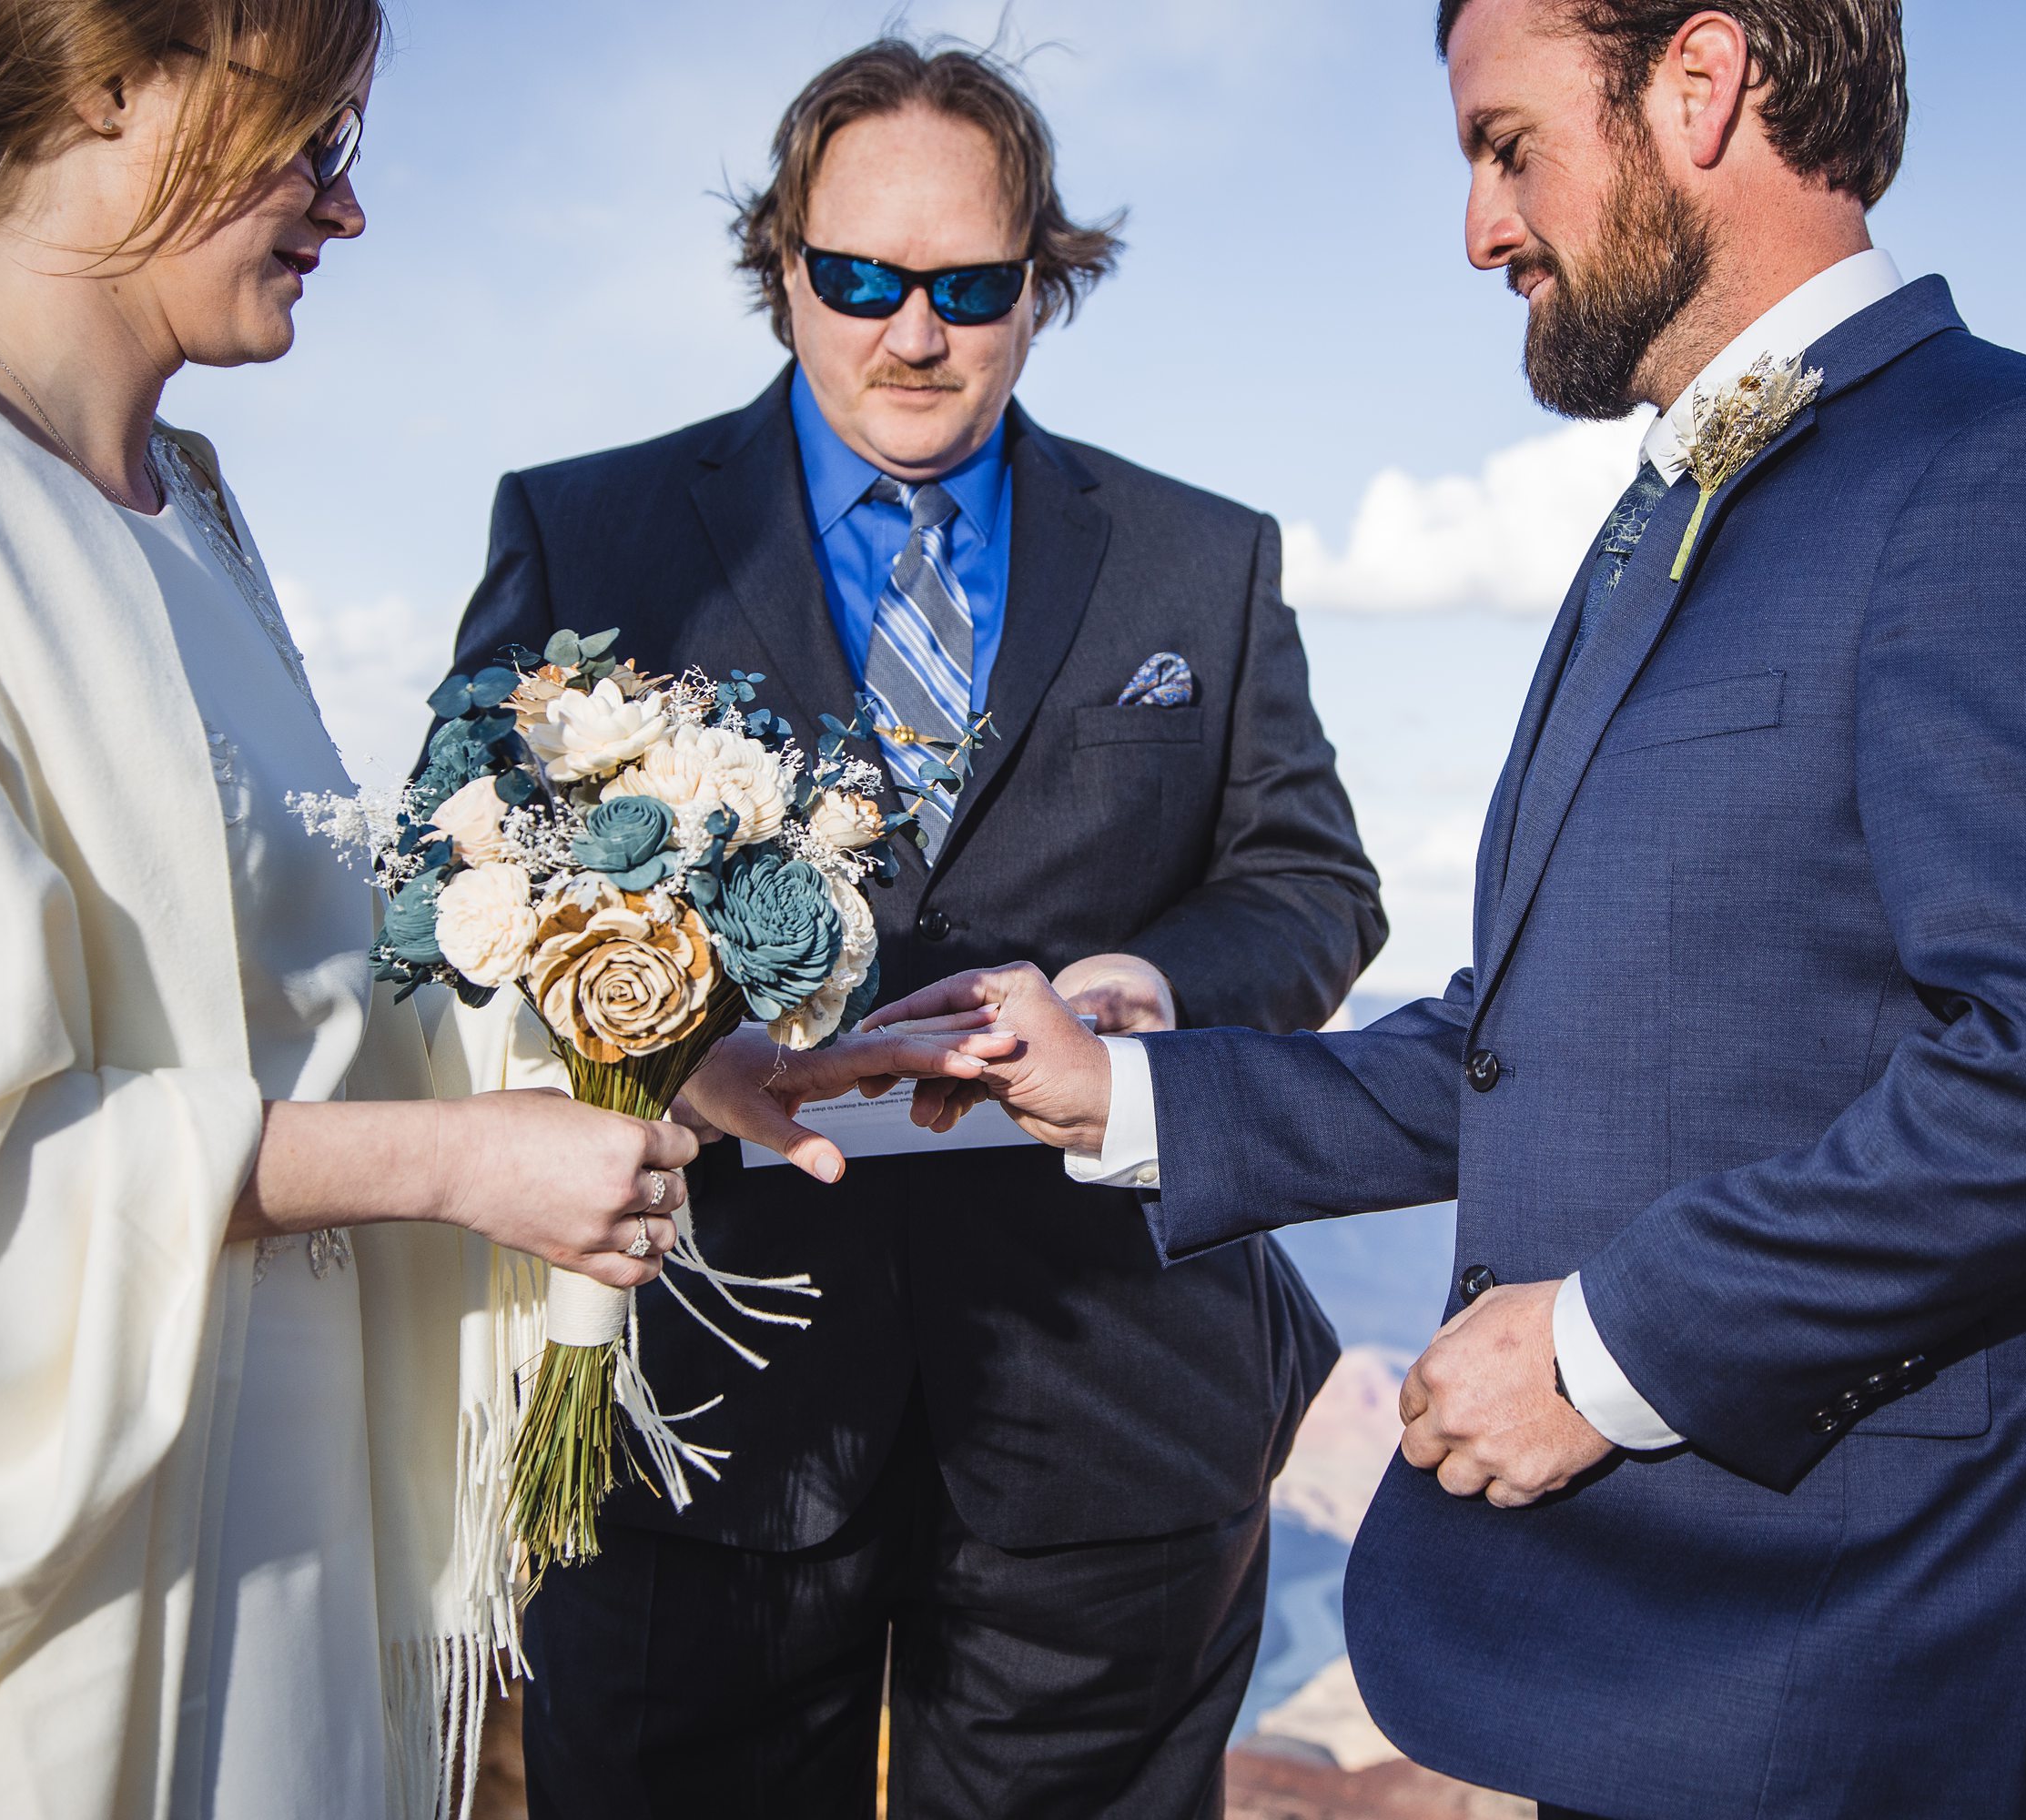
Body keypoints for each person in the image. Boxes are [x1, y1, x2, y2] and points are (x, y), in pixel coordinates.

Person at [872, 2, 2026, 1816]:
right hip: (1656, 1675)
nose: (1480, 227)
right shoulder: (1658, 522)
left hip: (1888, 1673)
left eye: (1506, 144)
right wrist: (1123, 1093)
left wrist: (1613, 1351)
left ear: (1701, 84)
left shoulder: (2008, 473)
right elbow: (1525, 1044)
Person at [0, 7, 986, 1815]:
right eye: (314, 141)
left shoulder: (183, 508)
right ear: (117, 80)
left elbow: (285, 1004)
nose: (345, 212)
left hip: (289, 1512)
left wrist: (647, 1050)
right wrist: (452, 1166)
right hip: (102, 1602)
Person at [438, 36, 1386, 1820]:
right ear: (780, 262)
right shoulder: (592, 535)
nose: (912, 333)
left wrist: (1155, 988)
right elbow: (476, 884)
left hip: (1117, 1415)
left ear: (1046, 284)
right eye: (858, 279)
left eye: (970, 286)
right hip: (696, 1401)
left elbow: (1313, 883)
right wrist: (678, 1047)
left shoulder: (1206, 559)